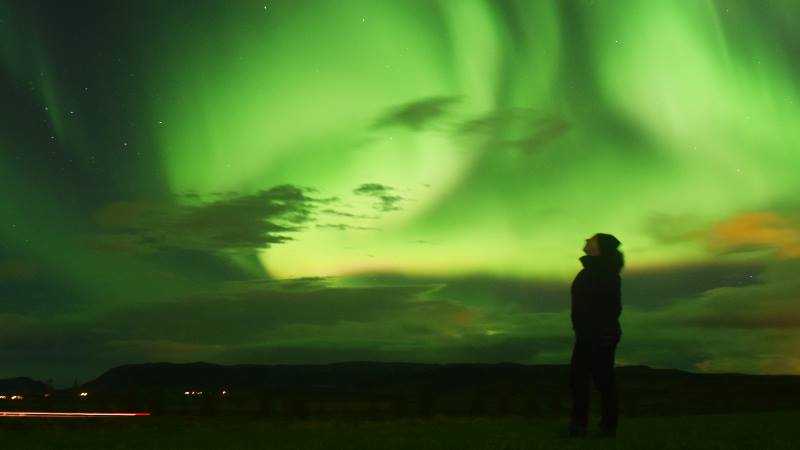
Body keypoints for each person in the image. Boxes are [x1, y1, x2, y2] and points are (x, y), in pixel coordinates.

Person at [567, 233, 624, 438]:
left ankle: (605, 427)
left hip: (599, 335)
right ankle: (579, 425)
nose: (586, 240)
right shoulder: (591, 270)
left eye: (592, 239)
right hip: (587, 334)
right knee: (580, 378)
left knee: (602, 381)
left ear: (599, 247)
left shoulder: (604, 272)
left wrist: (604, 333)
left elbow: (612, 306)